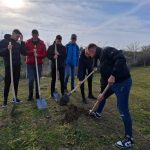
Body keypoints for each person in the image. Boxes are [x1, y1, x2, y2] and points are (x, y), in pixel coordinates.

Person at [90, 46, 133, 149]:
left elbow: (121, 58)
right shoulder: (99, 60)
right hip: (112, 84)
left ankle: (129, 139)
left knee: (122, 109)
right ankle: (98, 113)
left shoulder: (107, 50)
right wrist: (102, 92)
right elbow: (104, 78)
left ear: (93, 50)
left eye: (89, 53)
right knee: (103, 97)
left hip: (122, 82)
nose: (90, 56)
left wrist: (113, 75)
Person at [0, 29, 26, 108]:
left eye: (19, 37)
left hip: (17, 65)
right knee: (7, 83)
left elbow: (24, 52)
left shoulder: (18, 44)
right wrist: (7, 49)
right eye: (17, 36)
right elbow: (0, 53)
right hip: (9, 66)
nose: (18, 38)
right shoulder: (4, 41)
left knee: (16, 82)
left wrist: (22, 41)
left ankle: (15, 98)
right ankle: (5, 101)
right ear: (13, 34)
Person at [25, 29, 47, 101]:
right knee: (31, 80)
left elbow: (44, 54)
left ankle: (38, 94)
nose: (34, 36)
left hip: (39, 64)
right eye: (33, 34)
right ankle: (30, 95)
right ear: (32, 34)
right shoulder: (28, 42)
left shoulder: (42, 43)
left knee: (37, 80)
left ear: (38, 35)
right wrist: (32, 52)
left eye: (36, 34)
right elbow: (25, 52)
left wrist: (38, 55)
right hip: (30, 64)